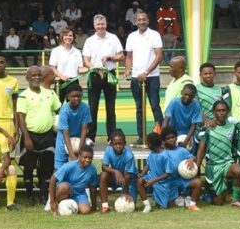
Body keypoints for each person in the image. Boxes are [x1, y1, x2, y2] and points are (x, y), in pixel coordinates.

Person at [17, 66, 61, 207]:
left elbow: (59, 110)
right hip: (30, 136)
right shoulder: (23, 95)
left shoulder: (50, 94)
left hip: (47, 136)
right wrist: (27, 137)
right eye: (33, 75)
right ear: (27, 78)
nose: (36, 77)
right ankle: (29, 196)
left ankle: (44, 195)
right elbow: (21, 118)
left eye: (38, 75)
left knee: (46, 168)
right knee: (29, 168)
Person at [82, 14, 124, 141]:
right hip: (94, 75)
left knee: (110, 107)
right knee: (92, 107)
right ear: (94, 26)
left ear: (106, 24)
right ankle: (91, 137)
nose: (100, 26)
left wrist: (110, 57)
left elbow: (121, 56)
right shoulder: (89, 40)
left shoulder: (113, 38)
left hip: (109, 74)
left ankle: (112, 137)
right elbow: (86, 60)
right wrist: (95, 68)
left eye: (102, 24)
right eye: (98, 24)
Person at [124, 11, 164, 145]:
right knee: (139, 108)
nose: (141, 22)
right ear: (135, 22)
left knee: (154, 106)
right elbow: (129, 57)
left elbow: (159, 57)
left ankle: (160, 136)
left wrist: (146, 72)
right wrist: (128, 69)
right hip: (136, 78)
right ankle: (142, 137)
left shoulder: (154, 35)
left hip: (151, 77)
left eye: (144, 19)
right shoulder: (131, 37)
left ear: (148, 20)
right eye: (139, 20)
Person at [195, 101, 240, 206]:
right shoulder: (208, 128)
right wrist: (196, 167)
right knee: (218, 203)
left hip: (227, 164)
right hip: (213, 167)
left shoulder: (233, 126)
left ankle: (235, 200)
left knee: (238, 171)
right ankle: (218, 193)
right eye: (218, 110)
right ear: (213, 112)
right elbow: (201, 149)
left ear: (228, 111)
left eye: (224, 110)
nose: (221, 113)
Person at [160, 128, 204, 211]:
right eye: (168, 139)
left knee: (198, 182)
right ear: (164, 141)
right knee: (170, 206)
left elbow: (193, 157)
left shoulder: (181, 150)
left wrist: (191, 160)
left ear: (176, 138)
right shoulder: (162, 153)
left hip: (182, 180)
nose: (171, 140)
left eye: (173, 137)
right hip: (170, 182)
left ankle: (192, 204)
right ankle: (176, 197)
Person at [49, 145, 99, 215]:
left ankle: (73, 205)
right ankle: (56, 204)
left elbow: (93, 187)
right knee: (64, 187)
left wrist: (94, 206)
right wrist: (52, 202)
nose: (87, 160)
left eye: (90, 158)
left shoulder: (93, 169)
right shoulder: (69, 166)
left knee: (86, 211)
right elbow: (53, 179)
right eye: (85, 157)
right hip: (66, 190)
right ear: (79, 156)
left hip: (79, 193)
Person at [54, 86, 91, 174]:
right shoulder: (64, 110)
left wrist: (80, 150)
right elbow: (65, 133)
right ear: (68, 97)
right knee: (59, 168)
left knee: (81, 166)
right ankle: (57, 186)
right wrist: (71, 154)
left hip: (79, 137)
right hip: (63, 138)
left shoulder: (85, 108)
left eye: (79, 96)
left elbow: (84, 130)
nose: (76, 98)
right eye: (73, 96)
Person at [99, 129, 137, 213]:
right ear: (111, 144)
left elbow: (127, 175)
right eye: (115, 144)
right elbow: (104, 167)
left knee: (131, 204)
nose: (118, 146)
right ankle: (104, 206)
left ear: (125, 143)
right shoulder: (108, 150)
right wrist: (116, 172)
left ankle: (128, 192)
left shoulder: (129, 155)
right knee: (103, 175)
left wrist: (125, 192)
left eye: (120, 144)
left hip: (129, 179)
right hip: (115, 177)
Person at [162, 84, 201, 150]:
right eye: (186, 94)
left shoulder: (196, 105)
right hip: (173, 131)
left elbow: (193, 126)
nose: (188, 97)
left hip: (188, 133)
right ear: (181, 92)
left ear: (194, 96)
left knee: (190, 149)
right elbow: (165, 121)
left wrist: (185, 142)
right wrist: (163, 139)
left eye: (190, 96)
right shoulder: (174, 102)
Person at [49, 28, 84, 102]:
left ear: (73, 37)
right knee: (58, 107)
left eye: (70, 35)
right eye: (66, 35)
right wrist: (62, 76)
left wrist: (91, 69)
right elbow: (52, 67)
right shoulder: (56, 51)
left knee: (74, 106)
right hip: (60, 82)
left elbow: (79, 69)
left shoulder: (77, 52)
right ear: (62, 36)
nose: (68, 37)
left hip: (74, 82)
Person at [136, 132, 167, 212]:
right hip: (151, 177)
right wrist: (142, 174)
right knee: (139, 182)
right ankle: (147, 205)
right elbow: (148, 164)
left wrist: (154, 180)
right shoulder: (152, 153)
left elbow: (168, 174)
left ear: (150, 145)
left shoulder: (165, 155)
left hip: (163, 182)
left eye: (147, 143)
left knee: (164, 207)